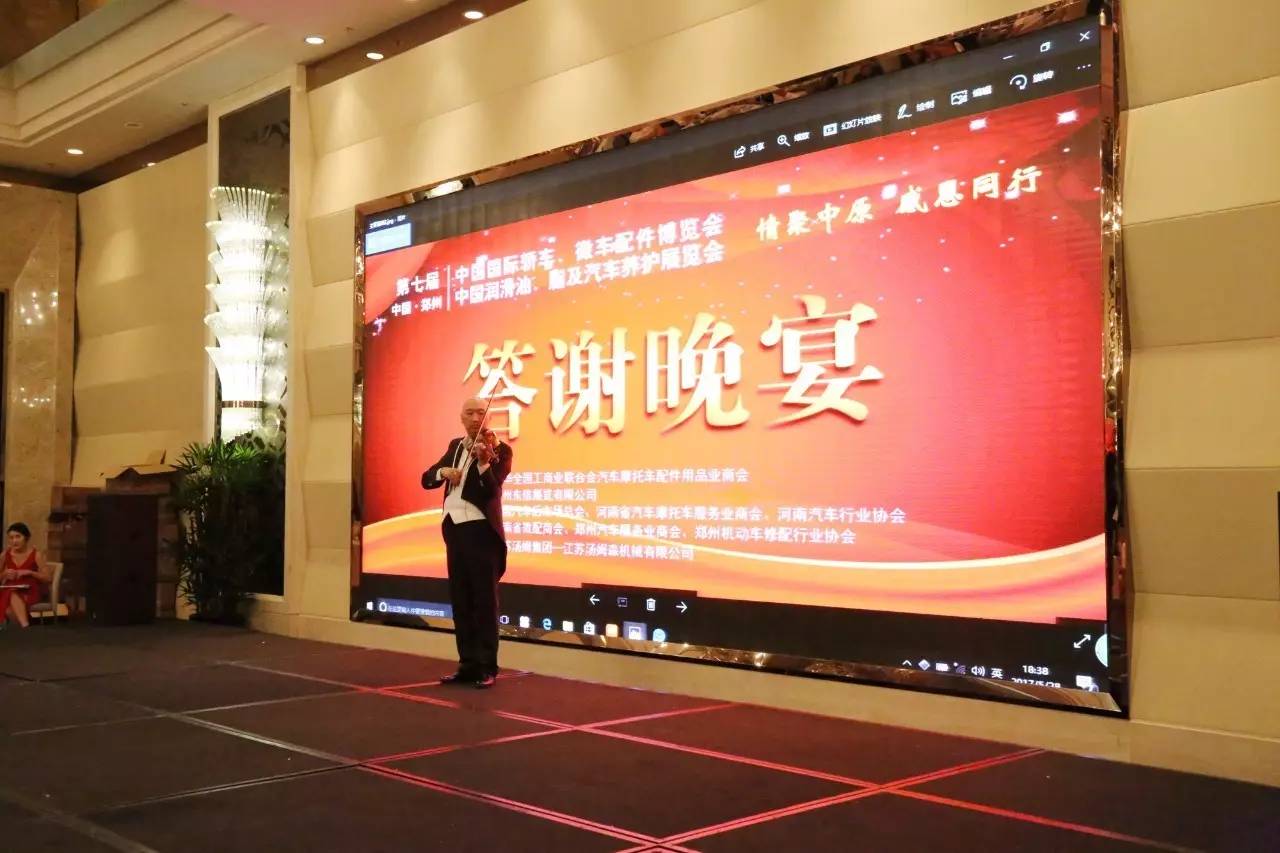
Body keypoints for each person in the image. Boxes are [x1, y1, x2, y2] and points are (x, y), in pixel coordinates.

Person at [421, 397, 513, 689]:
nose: (475, 418)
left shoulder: (500, 450)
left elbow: (492, 491)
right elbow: (426, 478)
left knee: (484, 601)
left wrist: (484, 463)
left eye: (481, 413)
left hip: (481, 532)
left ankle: (487, 667)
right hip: (454, 530)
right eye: (469, 413)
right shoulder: (455, 446)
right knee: (460, 600)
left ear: (489, 417)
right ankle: (467, 664)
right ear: (461, 417)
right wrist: (443, 472)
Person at [1, 522, 52, 628]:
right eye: (11, 538)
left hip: (30, 590)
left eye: (18, 537)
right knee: (10, 598)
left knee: (10, 596)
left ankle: (23, 628)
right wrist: (4, 574)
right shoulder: (5, 555)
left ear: (26, 538)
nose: (14, 541)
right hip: (9, 587)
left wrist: (30, 572)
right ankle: (25, 626)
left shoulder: (36, 555)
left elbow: (48, 578)